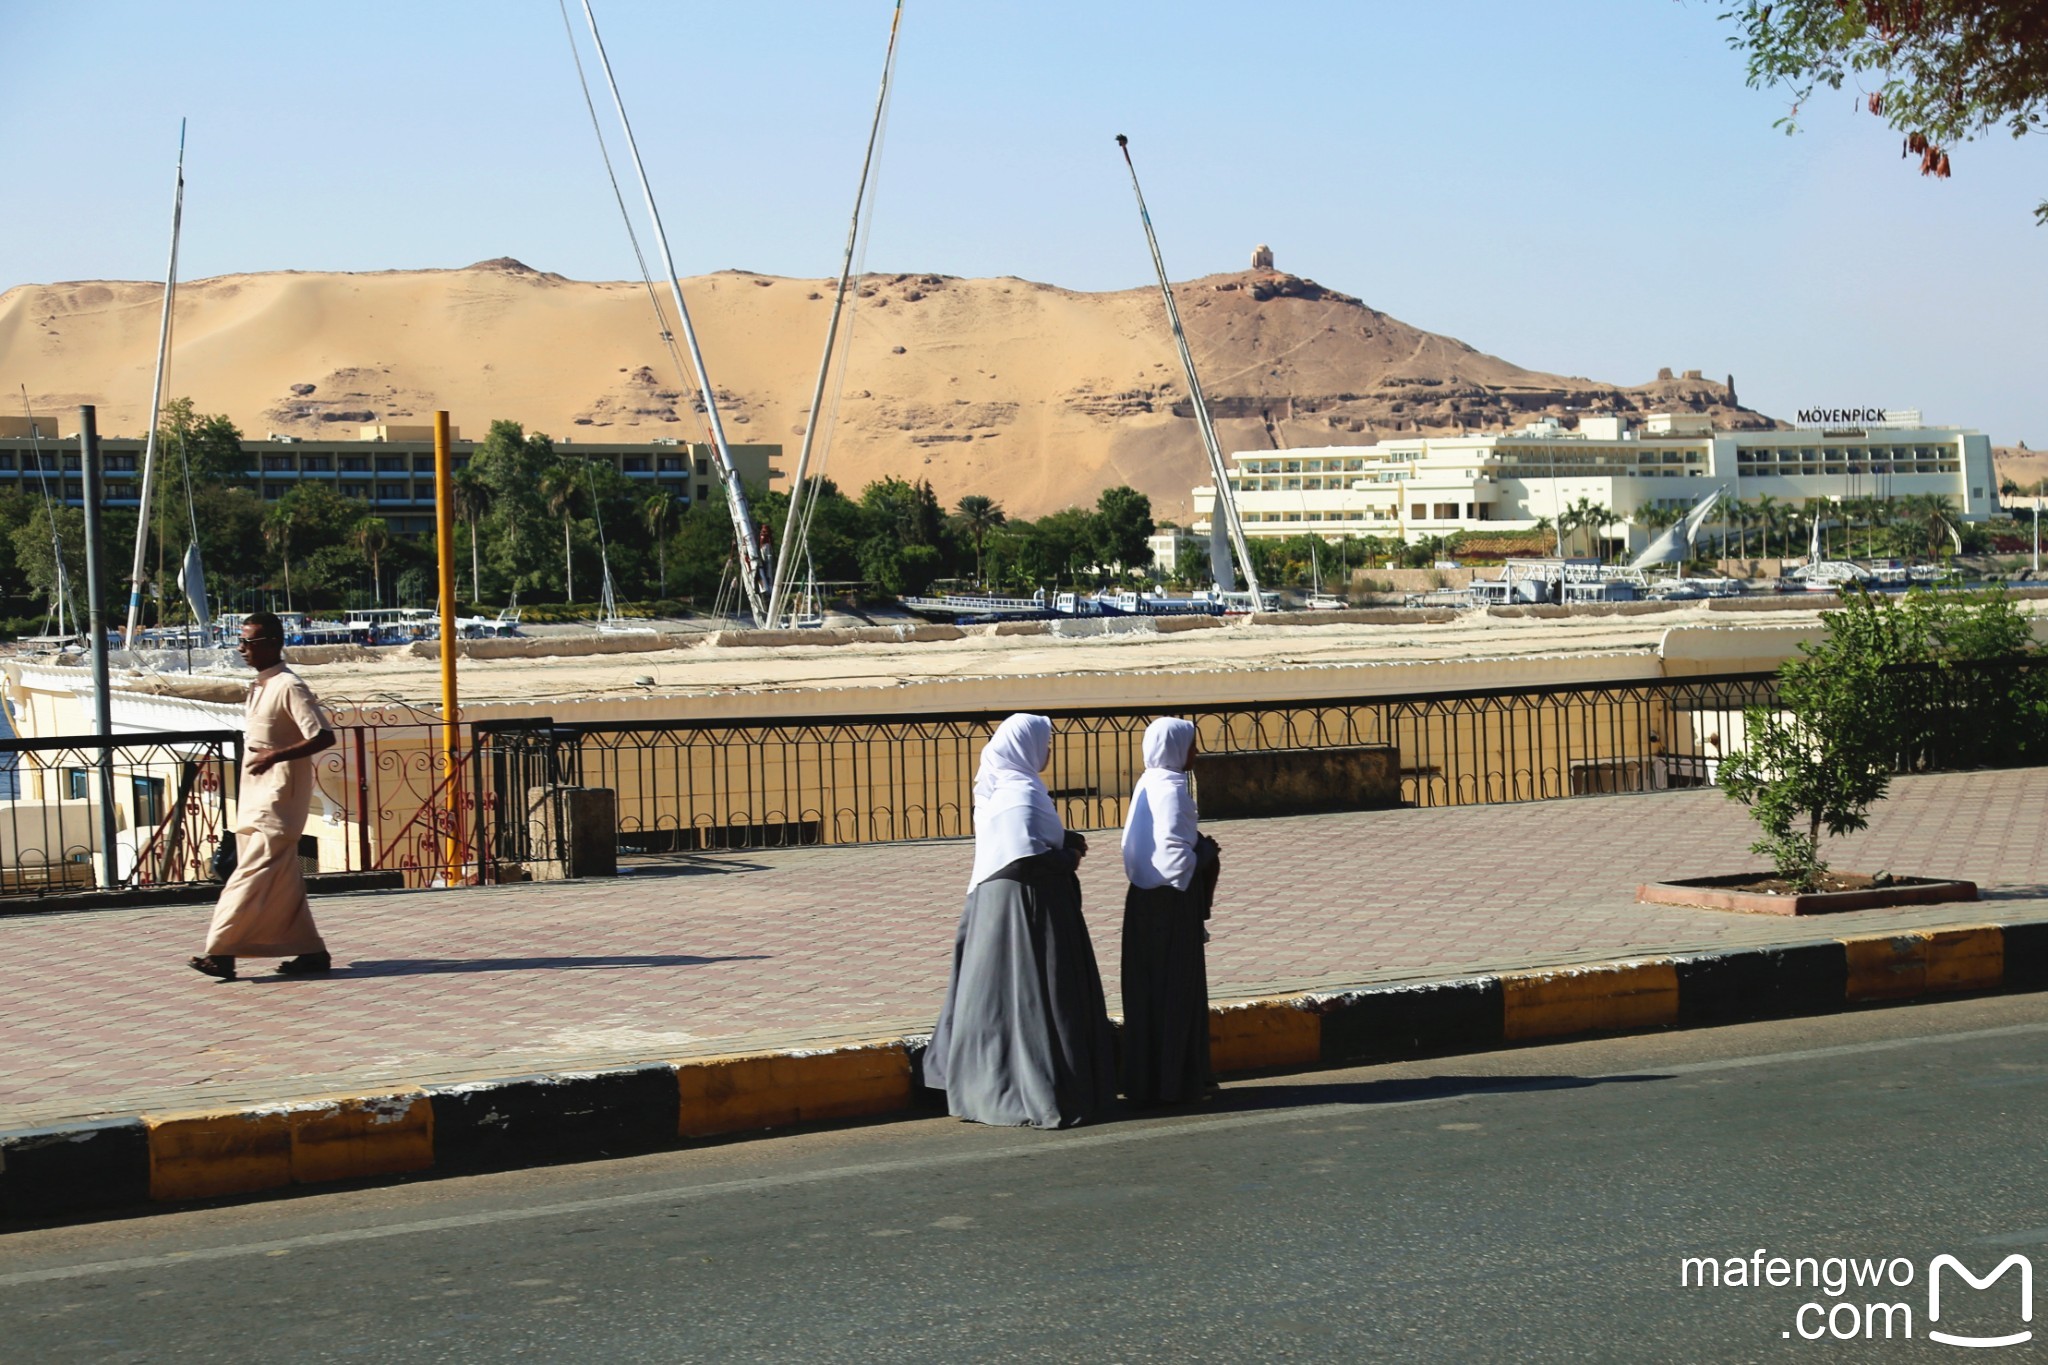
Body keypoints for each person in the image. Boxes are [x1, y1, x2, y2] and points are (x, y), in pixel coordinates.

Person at [923, 713, 1117, 1128]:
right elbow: (1029, 858)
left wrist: (1063, 843)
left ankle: (985, 1085)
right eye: (1045, 742)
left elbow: (1020, 842)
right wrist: (1071, 855)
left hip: (995, 905)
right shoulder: (1021, 790)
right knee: (1033, 995)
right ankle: (1033, 1090)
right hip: (1028, 906)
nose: (1048, 750)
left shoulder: (1001, 788)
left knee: (996, 996)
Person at [187, 613, 337, 981]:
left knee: (247, 877)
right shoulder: (260, 686)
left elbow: (322, 736)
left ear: (272, 642)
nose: (241, 649)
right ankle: (312, 952)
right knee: (282, 883)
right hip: (254, 800)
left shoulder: (289, 686)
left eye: (249, 642)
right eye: (240, 641)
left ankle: (221, 953)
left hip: (278, 801)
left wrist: (276, 756)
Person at [1118, 717, 1220, 1105]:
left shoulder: (1146, 783)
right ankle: (1180, 1082)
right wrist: (1203, 856)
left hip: (1142, 901)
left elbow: (1138, 846)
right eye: (1192, 745)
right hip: (1172, 903)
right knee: (1178, 993)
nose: (1195, 752)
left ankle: (1147, 1079)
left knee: (1148, 993)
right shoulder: (1175, 788)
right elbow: (1177, 855)